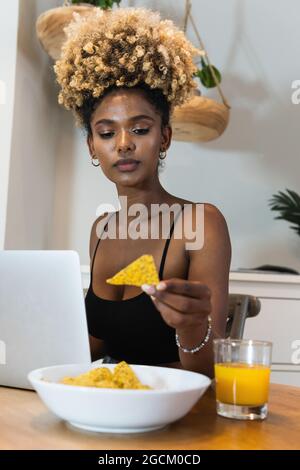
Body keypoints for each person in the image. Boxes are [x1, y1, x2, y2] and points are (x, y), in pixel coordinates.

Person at [54, 7, 231, 377]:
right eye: (106, 133)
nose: (122, 144)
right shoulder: (102, 230)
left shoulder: (200, 224)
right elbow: (98, 344)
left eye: (139, 129)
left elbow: (208, 370)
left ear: (164, 136)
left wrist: (192, 326)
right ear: (91, 146)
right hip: (107, 409)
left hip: (177, 420)